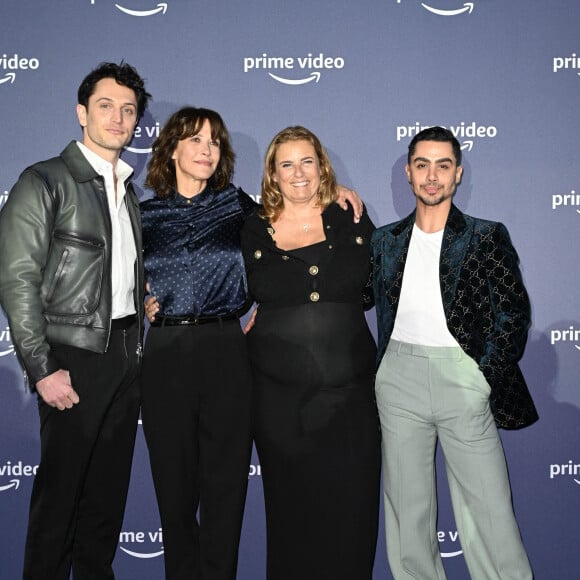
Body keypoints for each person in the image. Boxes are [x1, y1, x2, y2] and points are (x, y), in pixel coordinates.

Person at [140, 108, 364, 580]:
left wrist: (337, 190)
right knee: (175, 496)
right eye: (195, 140)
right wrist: (141, 300)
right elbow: (120, 279)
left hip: (225, 350)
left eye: (214, 142)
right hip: (165, 353)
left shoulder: (239, 208)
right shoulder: (141, 215)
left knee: (225, 496)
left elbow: (291, 218)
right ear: (172, 150)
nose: (206, 150)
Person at [0, 62, 151, 579]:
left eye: (128, 109)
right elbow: (17, 278)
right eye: (106, 105)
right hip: (72, 359)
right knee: (59, 502)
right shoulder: (43, 180)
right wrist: (42, 367)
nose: (119, 117)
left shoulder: (128, 191)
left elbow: (117, 278)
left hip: (126, 357)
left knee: (105, 506)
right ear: (81, 112)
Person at [371, 126, 538, 579]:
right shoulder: (384, 241)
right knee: (408, 517)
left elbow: (513, 314)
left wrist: (481, 375)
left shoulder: (486, 236)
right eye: (422, 165)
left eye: (442, 166)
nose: (431, 176)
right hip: (398, 380)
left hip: (462, 378)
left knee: (490, 516)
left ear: (457, 174)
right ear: (408, 173)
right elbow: (353, 292)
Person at [240, 126, 381, 580]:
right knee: (292, 517)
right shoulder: (251, 226)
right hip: (281, 404)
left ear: (321, 166)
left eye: (307, 162)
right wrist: (157, 298)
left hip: (351, 400)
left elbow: (381, 284)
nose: (298, 173)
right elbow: (215, 282)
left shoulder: (350, 215)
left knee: (352, 515)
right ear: (272, 174)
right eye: (287, 164)